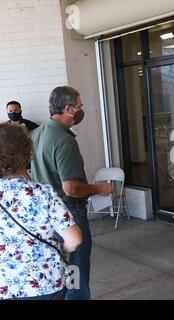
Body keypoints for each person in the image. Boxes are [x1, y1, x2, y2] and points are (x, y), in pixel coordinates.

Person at [31, 86, 112, 300]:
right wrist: (99, 189)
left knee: (59, 268)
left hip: (45, 215)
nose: (81, 110)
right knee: (76, 269)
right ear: (68, 109)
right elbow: (71, 188)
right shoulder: (64, 140)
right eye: (79, 106)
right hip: (69, 213)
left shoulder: (37, 133)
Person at [0, 123, 82, 300]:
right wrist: (65, 250)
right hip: (47, 283)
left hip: (6, 286)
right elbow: (74, 239)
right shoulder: (42, 194)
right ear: (27, 153)